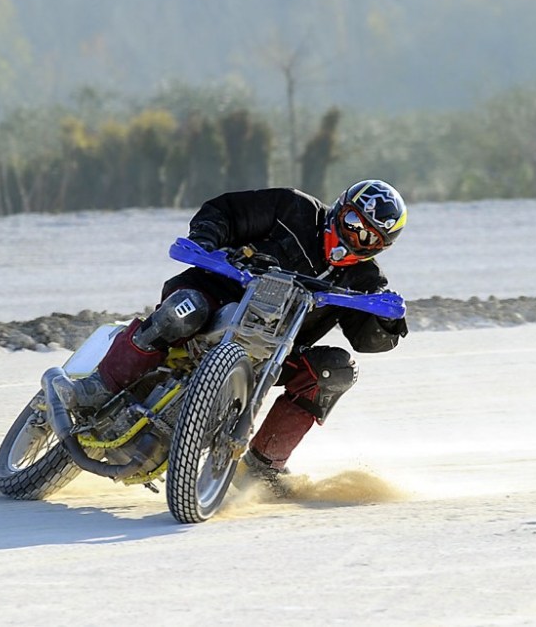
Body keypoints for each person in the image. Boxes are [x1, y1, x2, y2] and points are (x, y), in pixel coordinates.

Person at [53, 179, 409, 495]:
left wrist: (390, 320)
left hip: (275, 348)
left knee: (337, 369)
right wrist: (206, 239)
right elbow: (227, 212)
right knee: (186, 308)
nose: (353, 237)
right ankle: (99, 385)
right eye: (351, 222)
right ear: (340, 208)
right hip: (217, 295)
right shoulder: (293, 207)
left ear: (380, 246)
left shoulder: (365, 280)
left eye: (368, 237)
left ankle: (264, 463)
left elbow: (368, 340)